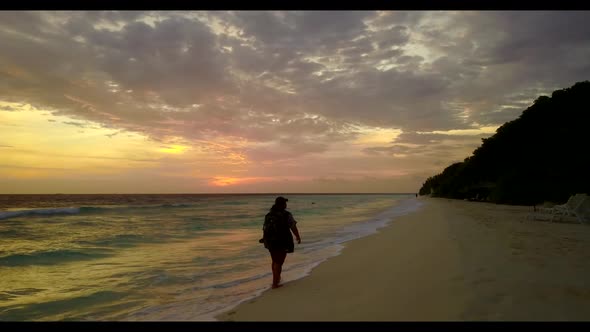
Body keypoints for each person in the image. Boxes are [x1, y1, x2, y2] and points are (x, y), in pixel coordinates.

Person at [260, 196, 301, 289]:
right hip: (282, 240)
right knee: (279, 262)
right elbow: (293, 227)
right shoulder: (286, 214)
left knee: (275, 261)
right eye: (285, 203)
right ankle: (275, 283)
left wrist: (264, 238)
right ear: (282, 204)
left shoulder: (269, 214)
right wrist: (297, 236)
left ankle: (277, 279)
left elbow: (264, 228)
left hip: (270, 241)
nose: (286, 205)